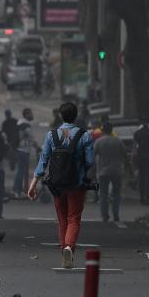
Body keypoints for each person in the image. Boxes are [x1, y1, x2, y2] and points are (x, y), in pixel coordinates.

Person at [28, 101, 95, 268]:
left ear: (60, 115)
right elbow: (90, 161)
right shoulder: (84, 135)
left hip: (57, 185)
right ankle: (69, 248)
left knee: (62, 220)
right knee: (74, 219)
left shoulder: (52, 135)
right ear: (76, 116)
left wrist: (33, 183)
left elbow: (43, 161)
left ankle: (64, 250)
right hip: (76, 185)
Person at [93, 122, 126, 222]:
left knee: (103, 194)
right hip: (116, 171)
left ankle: (105, 215)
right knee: (116, 194)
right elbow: (125, 156)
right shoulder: (118, 141)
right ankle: (115, 213)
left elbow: (92, 156)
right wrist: (129, 169)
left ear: (102, 131)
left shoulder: (99, 142)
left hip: (103, 172)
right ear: (112, 130)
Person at [132, 118, 149, 205]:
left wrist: (134, 155)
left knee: (141, 178)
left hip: (141, 156)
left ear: (142, 123)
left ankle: (142, 197)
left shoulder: (137, 133)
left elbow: (135, 145)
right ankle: (148, 198)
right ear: (148, 123)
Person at [1, 109, 22, 198]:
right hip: (15, 141)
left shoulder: (5, 123)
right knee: (12, 154)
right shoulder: (14, 121)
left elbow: (4, 133)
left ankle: (12, 165)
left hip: (12, 141)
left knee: (11, 154)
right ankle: (12, 164)